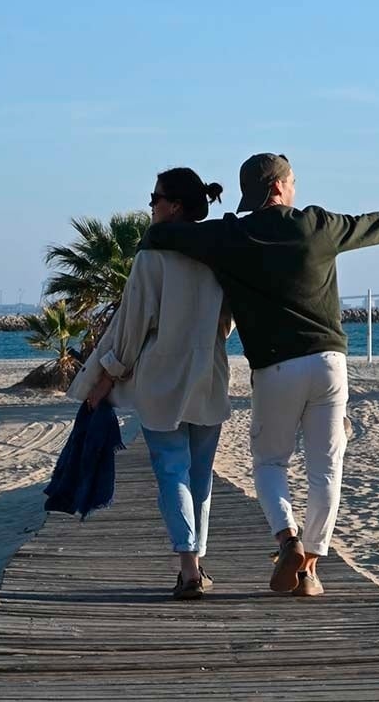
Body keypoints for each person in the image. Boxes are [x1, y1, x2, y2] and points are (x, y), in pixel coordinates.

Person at [144, 152, 379, 597]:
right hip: (329, 364)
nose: (296, 188)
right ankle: (310, 570)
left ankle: (287, 539)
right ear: (278, 187)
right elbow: (373, 225)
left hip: (275, 368)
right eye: (293, 181)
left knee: (270, 461)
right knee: (326, 467)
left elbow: (170, 236)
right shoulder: (317, 225)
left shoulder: (232, 235)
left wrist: (162, 221)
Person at [67, 168, 231, 601]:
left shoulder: (152, 254)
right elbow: (227, 323)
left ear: (174, 204)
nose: (151, 205)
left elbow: (132, 324)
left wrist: (108, 375)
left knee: (172, 470)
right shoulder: (220, 252)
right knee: (201, 475)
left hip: (162, 376)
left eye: (154, 198)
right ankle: (198, 562)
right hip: (210, 372)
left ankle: (189, 567)